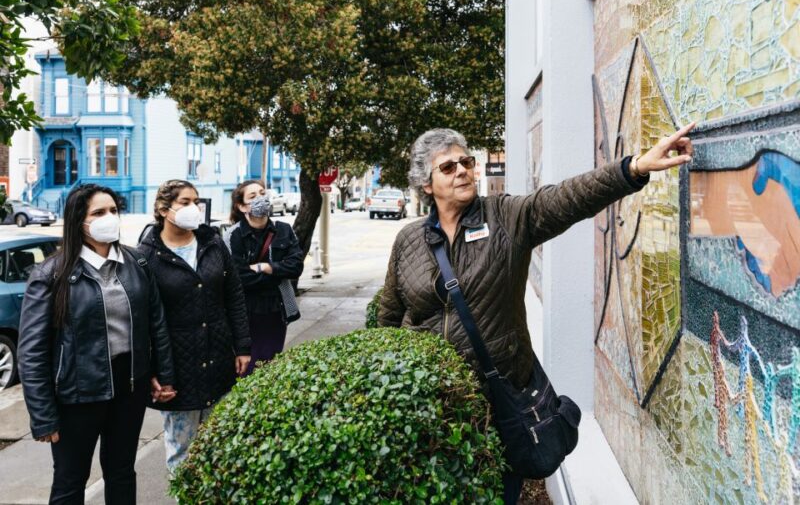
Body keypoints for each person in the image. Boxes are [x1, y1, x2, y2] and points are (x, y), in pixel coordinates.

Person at [378, 126, 695, 503]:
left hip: (497, 409)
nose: (462, 171)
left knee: (496, 494)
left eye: (466, 162)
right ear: (426, 184)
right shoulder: (409, 241)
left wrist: (634, 168)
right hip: (433, 409)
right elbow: (389, 318)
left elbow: (566, 198)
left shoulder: (505, 217)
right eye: (448, 167)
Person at [17, 184, 176, 505]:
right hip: (77, 394)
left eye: (114, 210)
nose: (109, 217)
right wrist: (43, 415)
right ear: (80, 221)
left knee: (121, 472)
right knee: (70, 481)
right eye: (99, 212)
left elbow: (155, 323)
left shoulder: (135, 262)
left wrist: (163, 374)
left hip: (129, 388)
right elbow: (31, 352)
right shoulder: (51, 274)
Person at [137, 179, 251, 472]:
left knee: (220, 446)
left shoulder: (213, 242)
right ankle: (185, 493)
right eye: (185, 202)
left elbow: (234, 295)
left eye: (196, 202)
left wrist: (242, 346)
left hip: (218, 358)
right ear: (164, 209)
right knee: (182, 450)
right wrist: (152, 371)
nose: (194, 208)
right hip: (177, 368)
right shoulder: (146, 255)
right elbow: (143, 320)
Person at [223, 180, 304, 374]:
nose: (261, 198)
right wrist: (277, 273)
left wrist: (266, 267)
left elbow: (295, 267)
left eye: (262, 193)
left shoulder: (284, 230)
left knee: (270, 365)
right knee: (246, 367)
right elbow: (239, 278)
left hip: (277, 309)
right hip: (245, 312)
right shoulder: (232, 236)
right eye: (252, 196)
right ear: (242, 206)